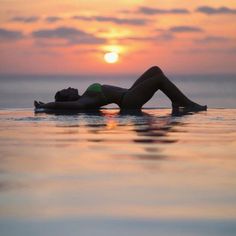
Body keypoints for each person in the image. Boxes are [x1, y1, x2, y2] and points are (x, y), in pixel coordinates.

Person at [34, 66, 207, 112]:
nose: (69, 87)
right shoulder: (82, 101)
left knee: (155, 69)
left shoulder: (84, 96)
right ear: (67, 98)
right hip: (128, 100)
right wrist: (45, 105)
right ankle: (187, 103)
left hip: (129, 92)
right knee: (159, 79)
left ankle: (177, 99)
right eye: (66, 90)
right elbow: (71, 107)